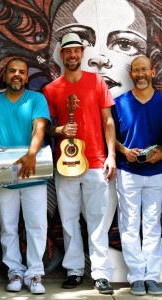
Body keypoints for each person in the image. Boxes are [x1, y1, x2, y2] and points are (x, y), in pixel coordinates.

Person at [44, 32, 116, 295]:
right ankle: (74, 270)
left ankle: (100, 274)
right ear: (61, 55)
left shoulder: (97, 82)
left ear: (82, 53)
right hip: (66, 163)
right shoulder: (52, 89)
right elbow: (47, 129)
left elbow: (108, 120)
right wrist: (61, 129)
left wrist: (111, 155)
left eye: (77, 51)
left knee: (97, 219)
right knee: (69, 218)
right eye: (68, 51)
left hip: (96, 160)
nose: (72, 55)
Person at [0, 58, 50, 294]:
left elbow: (39, 126)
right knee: (8, 226)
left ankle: (35, 274)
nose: (16, 75)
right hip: (3, 174)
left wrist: (31, 154)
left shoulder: (36, 99)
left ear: (26, 77)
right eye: (12, 71)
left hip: (33, 171)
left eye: (21, 72)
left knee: (36, 225)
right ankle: (15, 272)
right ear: (5, 76)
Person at [112, 56, 162, 296]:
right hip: (128, 172)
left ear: (152, 72)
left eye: (144, 70)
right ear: (130, 75)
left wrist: (160, 153)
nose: (140, 74)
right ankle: (136, 277)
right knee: (130, 226)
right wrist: (124, 151)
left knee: (152, 226)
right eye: (135, 71)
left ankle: (152, 277)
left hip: (156, 173)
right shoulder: (119, 103)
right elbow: (109, 136)